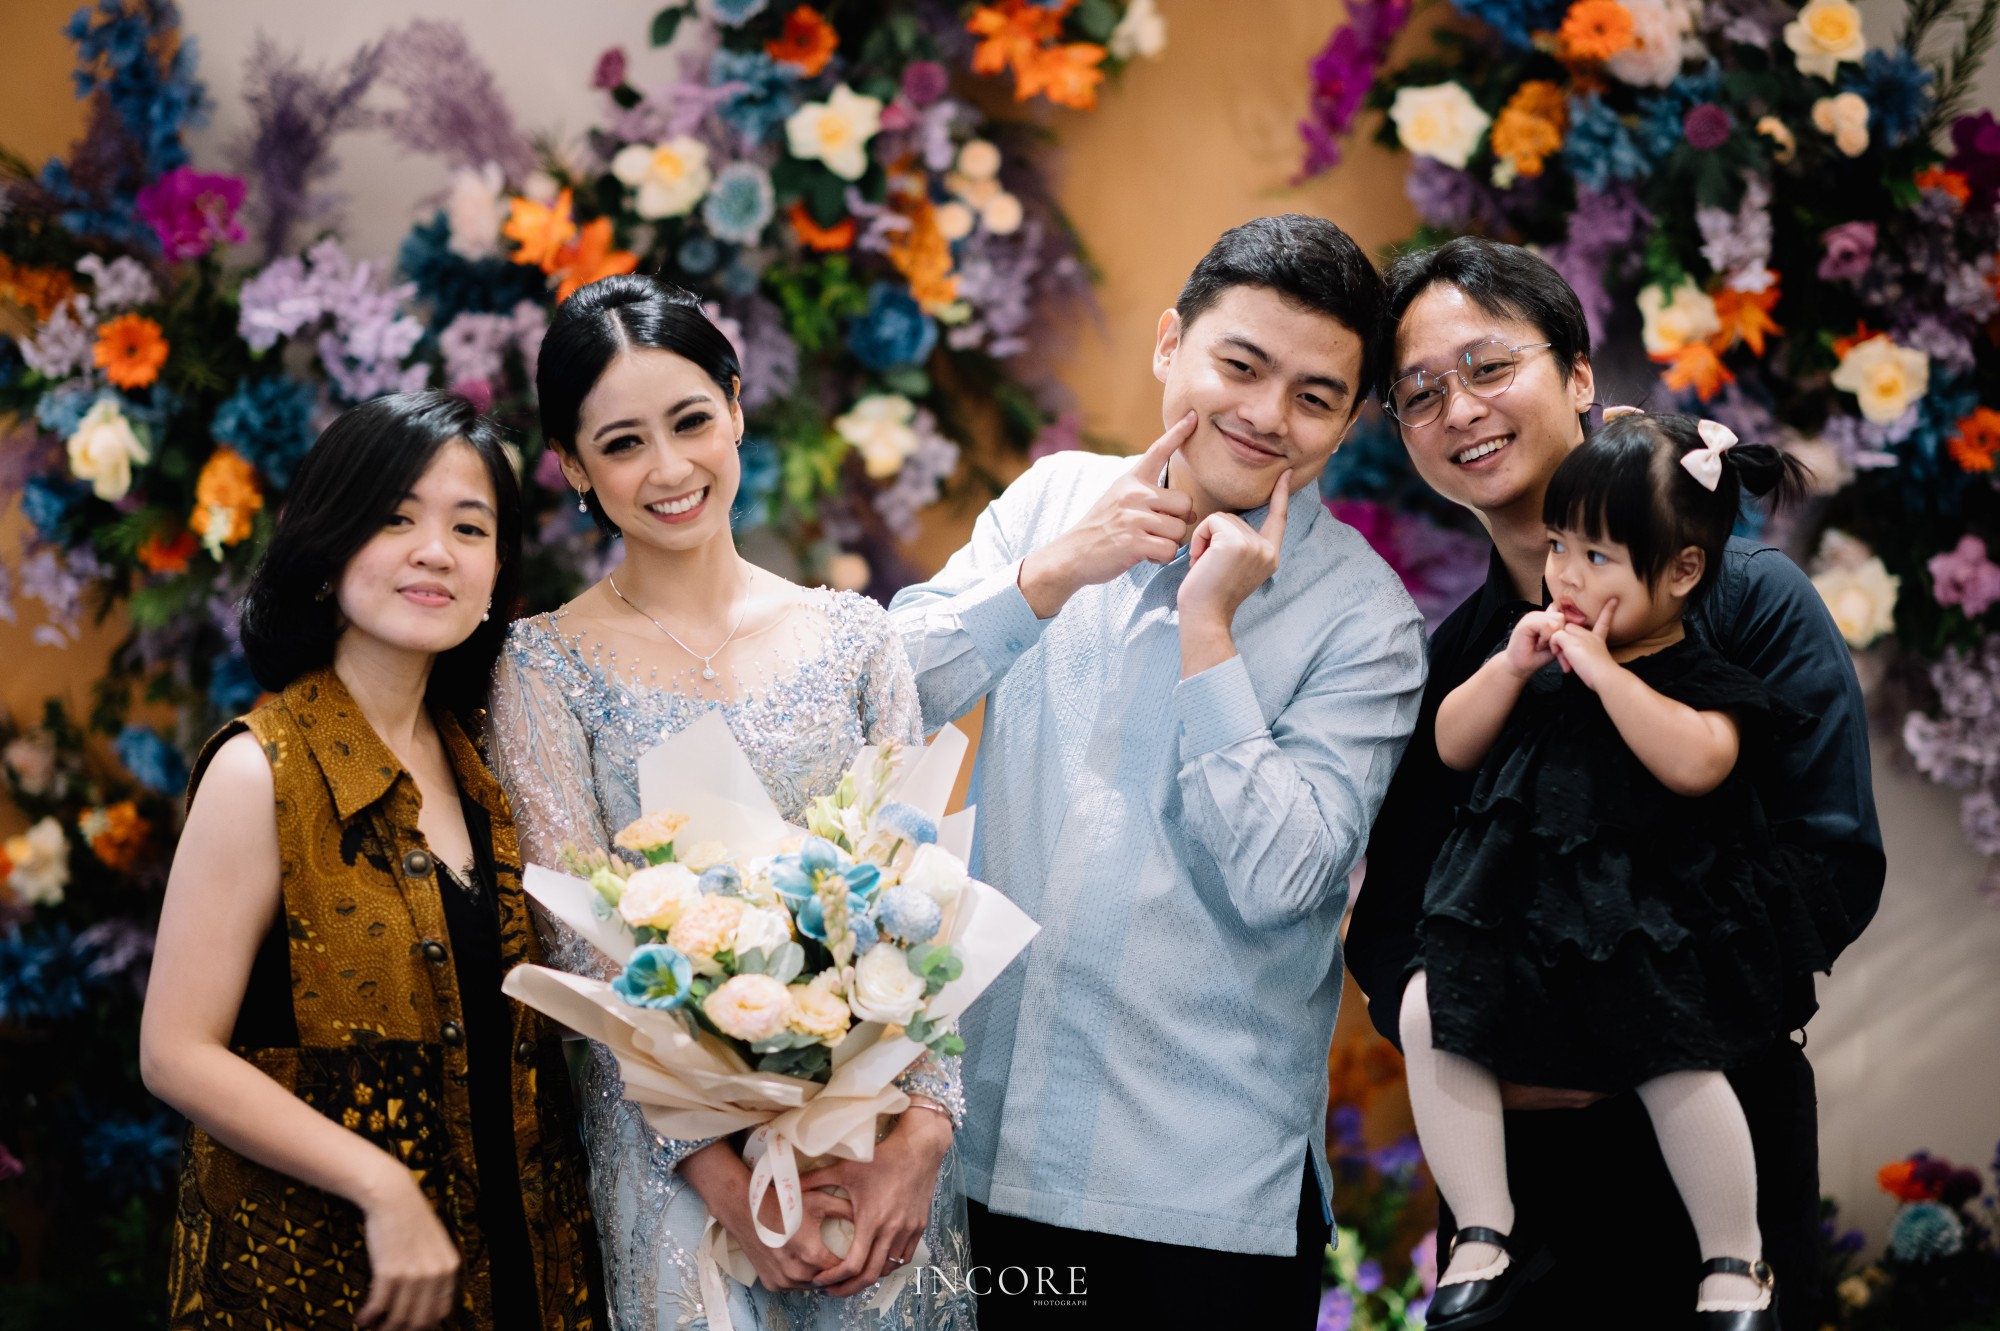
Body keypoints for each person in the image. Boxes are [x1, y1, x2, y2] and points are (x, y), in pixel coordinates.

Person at [889, 213, 1429, 1327]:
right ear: (1169, 343)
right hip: (977, 1160)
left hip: (1198, 1205)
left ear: (1349, 421)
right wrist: (1046, 578)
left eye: (1314, 396)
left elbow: (1284, 880)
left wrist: (1208, 632)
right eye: (1241, 365)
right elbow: (874, 693)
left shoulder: (1366, 620)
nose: (1266, 414)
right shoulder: (1053, 501)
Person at [1345, 237, 1883, 1331]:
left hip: (1713, 1122)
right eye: (1419, 392)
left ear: (1580, 374)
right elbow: (1393, 919)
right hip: (1514, 1174)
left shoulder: (1748, 601)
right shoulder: (1461, 664)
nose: (1460, 409)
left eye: (1489, 366)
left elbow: (1831, 861)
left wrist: (1631, 1018)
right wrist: (1498, 1046)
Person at [485, 274, 972, 1331]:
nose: (669, 468)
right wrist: (717, 1171)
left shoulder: (856, 637)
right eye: (622, 443)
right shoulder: (544, 665)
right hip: (678, 1173)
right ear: (573, 466)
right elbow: (583, 949)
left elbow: (924, 903)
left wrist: (925, 1131)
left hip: (875, 1152)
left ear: (737, 407)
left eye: (691, 420)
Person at [140, 392, 603, 1331]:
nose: (435, 550)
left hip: (523, 1264)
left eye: (469, 527)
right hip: (331, 1275)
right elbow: (176, 1052)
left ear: (496, 575)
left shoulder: (483, 764)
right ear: (326, 549)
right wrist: (383, 1186)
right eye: (396, 518)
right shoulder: (259, 768)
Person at [1404, 409, 1831, 1330]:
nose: (1564, 574)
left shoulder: (1695, 673)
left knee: (1674, 1056)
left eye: (1597, 555)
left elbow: (1699, 760)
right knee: (1422, 1006)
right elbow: (1450, 745)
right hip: (1526, 940)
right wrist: (1508, 669)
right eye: (1559, 545)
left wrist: (1604, 673)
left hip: (1649, 943)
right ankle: (1483, 1227)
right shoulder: (1530, 662)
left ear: (1682, 571)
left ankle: (1735, 1256)